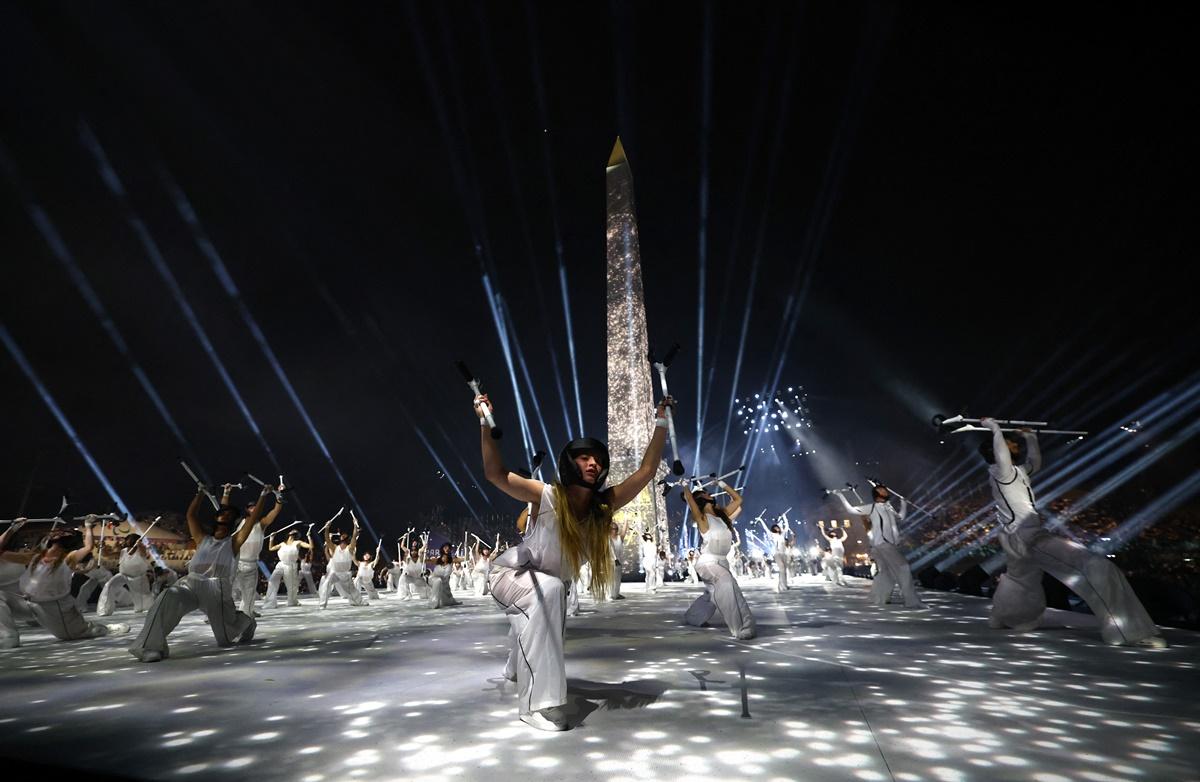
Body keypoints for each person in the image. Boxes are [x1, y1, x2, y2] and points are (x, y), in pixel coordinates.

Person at [476, 391, 671, 731]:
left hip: (548, 587)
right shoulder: (547, 495)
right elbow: (495, 473)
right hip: (511, 575)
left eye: (597, 459)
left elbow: (647, 470)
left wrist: (660, 421)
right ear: (570, 462)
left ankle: (514, 668)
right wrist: (483, 421)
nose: (593, 463)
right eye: (584, 458)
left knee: (547, 615)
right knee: (548, 594)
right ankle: (536, 705)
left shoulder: (603, 506)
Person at [979, 418, 1164, 647]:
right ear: (999, 451)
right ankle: (1127, 631)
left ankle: (1004, 616)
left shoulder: (1012, 473)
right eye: (1011, 444)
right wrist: (995, 429)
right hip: (1028, 538)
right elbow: (1003, 455)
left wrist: (1031, 438)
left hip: (1016, 538)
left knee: (1020, 579)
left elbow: (1034, 463)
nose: (1015, 445)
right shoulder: (1002, 472)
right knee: (1096, 567)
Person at [129, 483, 274, 662]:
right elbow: (191, 515)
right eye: (222, 514)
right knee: (168, 597)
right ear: (216, 519)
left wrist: (263, 496)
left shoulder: (234, 541)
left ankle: (247, 623)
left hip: (216, 590)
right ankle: (149, 646)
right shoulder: (201, 538)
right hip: (191, 584)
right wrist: (199, 494)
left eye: (229, 516)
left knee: (226, 639)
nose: (224, 517)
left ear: (232, 523)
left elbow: (252, 520)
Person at [2, 517, 130, 647]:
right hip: (29, 605)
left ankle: (106, 629)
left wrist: (88, 526)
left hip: (54, 609)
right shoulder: (34, 557)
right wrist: (12, 529)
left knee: (78, 633)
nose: (55, 535)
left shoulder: (68, 558)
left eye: (60, 536)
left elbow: (88, 547)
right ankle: (8, 636)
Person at [682, 482, 756, 639]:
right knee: (728, 584)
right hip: (707, 562)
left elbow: (738, 499)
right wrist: (685, 486)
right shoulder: (701, 517)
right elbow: (689, 499)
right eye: (704, 493)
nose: (709, 494)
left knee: (712, 595)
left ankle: (693, 617)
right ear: (700, 499)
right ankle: (741, 627)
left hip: (722, 562)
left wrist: (722, 484)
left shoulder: (723, 515)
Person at [835, 485, 925, 609]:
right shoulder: (871, 507)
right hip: (883, 544)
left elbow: (901, 517)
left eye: (885, 489)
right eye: (882, 490)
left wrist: (903, 503)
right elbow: (851, 510)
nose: (885, 491)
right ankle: (912, 601)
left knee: (886, 574)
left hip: (885, 545)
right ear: (876, 494)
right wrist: (840, 495)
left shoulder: (888, 508)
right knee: (903, 568)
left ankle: (880, 598)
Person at [232, 486, 285, 617]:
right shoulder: (239, 522)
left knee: (248, 593)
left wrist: (279, 497)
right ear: (247, 510)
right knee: (228, 591)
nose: (253, 509)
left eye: (255, 507)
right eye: (251, 507)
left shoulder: (261, 523)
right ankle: (218, 614)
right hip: (235, 562)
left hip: (251, 563)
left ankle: (247, 613)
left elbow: (275, 512)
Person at [97, 533, 153, 615]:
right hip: (123, 575)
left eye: (128, 539)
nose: (126, 541)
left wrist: (139, 543)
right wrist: (103, 547)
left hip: (138, 578)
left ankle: (145, 609)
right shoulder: (123, 551)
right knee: (109, 586)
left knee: (142, 597)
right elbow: (106, 555)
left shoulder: (141, 550)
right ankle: (104, 610)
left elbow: (143, 550)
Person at [318, 514, 367, 609]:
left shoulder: (350, 548)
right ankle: (322, 604)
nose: (342, 537)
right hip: (335, 573)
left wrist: (355, 526)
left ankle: (359, 602)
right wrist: (327, 528)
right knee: (326, 584)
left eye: (344, 537)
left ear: (346, 540)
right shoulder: (335, 548)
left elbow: (354, 537)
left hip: (345, 574)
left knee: (351, 591)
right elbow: (327, 540)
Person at [263, 526, 313, 608]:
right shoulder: (282, 544)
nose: (293, 531)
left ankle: (292, 601)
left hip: (290, 566)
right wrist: (271, 538)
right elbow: (271, 548)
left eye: (294, 531)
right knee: (272, 580)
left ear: (295, 535)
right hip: (280, 564)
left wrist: (309, 536)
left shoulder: (297, 543)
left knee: (291, 586)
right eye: (292, 531)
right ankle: (270, 602)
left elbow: (310, 546)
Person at [817, 521, 848, 586]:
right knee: (838, 568)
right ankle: (840, 580)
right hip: (835, 556)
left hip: (840, 556)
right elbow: (824, 534)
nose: (834, 533)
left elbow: (845, 536)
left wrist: (842, 529)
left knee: (838, 569)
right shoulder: (831, 540)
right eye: (832, 533)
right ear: (831, 535)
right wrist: (822, 528)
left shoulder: (839, 540)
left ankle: (837, 580)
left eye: (834, 533)